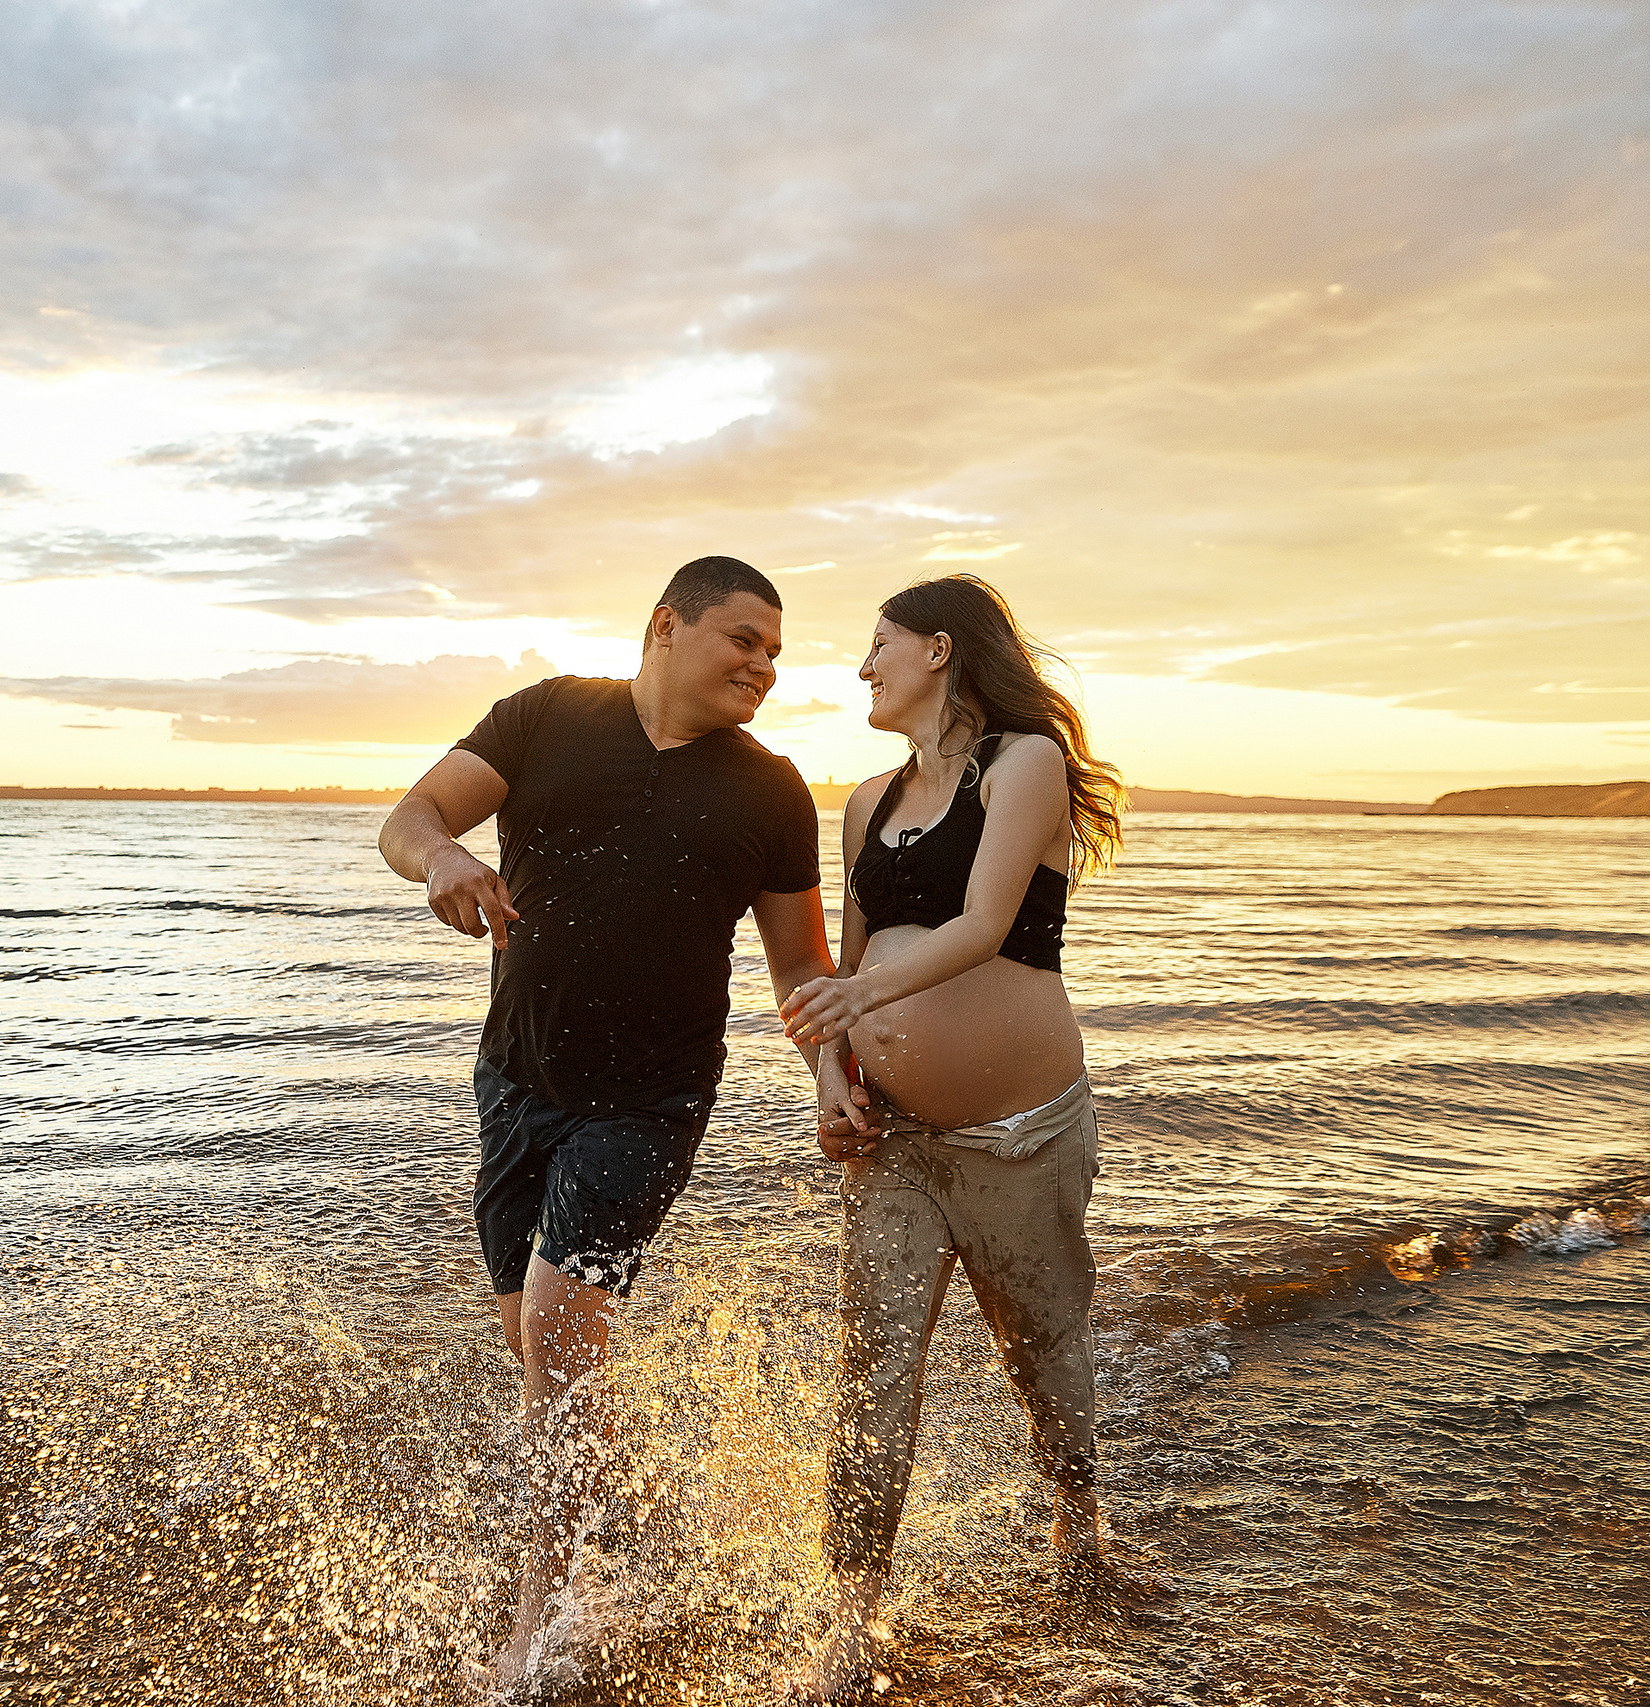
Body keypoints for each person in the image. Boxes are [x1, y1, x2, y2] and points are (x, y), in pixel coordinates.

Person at [377, 556, 865, 1691]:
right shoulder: (549, 717)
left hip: (653, 1097)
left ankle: (540, 1626)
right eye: (743, 639)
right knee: (544, 1348)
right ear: (666, 626)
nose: (763, 665)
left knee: (555, 1326)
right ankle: (634, 1532)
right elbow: (412, 818)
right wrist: (444, 858)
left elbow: (801, 964)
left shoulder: (770, 789)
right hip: (515, 1080)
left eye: (775, 652)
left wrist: (829, 1075)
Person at [775, 574, 1137, 1702]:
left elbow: (983, 926)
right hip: (897, 1143)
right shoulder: (866, 803)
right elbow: (851, 962)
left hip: (1023, 1135)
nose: (861, 667)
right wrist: (834, 1073)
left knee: (1043, 1360)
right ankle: (850, 1621)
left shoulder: (1024, 762)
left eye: (877, 645)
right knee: (874, 1365)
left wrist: (848, 1002)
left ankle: (1080, 1535)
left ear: (938, 649)